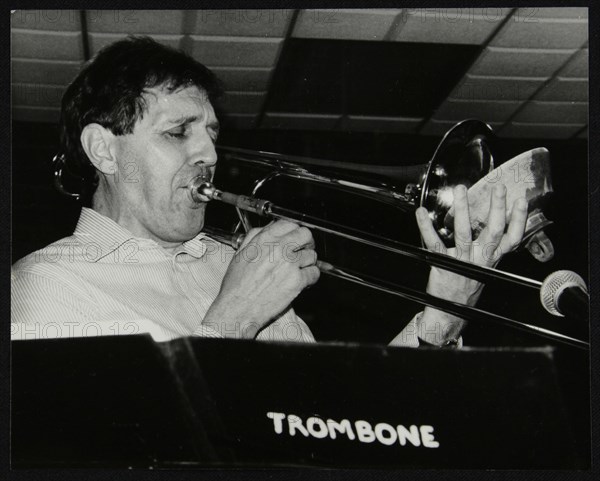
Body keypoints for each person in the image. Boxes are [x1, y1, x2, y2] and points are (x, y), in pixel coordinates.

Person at [11, 36, 528, 347]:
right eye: (177, 132)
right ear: (103, 150)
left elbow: (342, 426)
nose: (210, 154)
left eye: (211, 132)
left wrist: (443, 314)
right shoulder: (48, 285)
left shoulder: (233, 263)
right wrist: (234, 317)